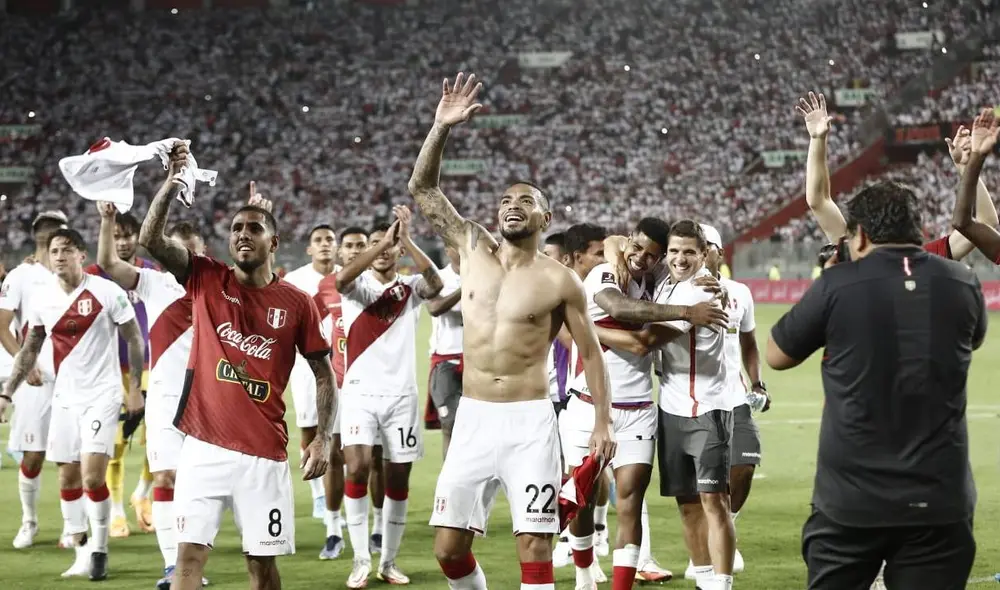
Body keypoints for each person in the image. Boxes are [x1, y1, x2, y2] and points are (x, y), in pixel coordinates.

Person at [409, 71, 616, 590]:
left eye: (525, 201)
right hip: (474, 417)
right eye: (505, 200)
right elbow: (423, 189)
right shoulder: (472, 247)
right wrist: (441, 127)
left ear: (545, 217)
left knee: (535, 544)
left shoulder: (560, 280)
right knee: (448, 549)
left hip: (529, 421)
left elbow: (591, 353)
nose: (512, 205)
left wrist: (603, 423)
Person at [767, 180, 984, 590]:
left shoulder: (837, 284)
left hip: (852, 499)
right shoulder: (963, 282)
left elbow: (777, 355)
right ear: (919, 229)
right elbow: (971, 340)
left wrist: (829, 288)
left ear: (861, 235)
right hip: (940, 497)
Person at [138, 142, 335, 590]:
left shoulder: (298, 303)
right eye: (236, 228)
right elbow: (151, 240)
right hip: (202, 448)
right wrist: (172, 183)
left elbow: (323, 373)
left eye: (254, 228)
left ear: (274, 242)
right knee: (187, 559)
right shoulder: (207, 278)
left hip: (263, 454)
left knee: (261, 566)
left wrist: (323, 438)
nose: (243, 234)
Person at [1, 227, 145, 581]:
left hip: (102, 395)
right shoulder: (44, 299)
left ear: (82, 255)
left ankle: (100, 549)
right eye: (54, 251)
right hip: (65, 397)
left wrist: (135, 388)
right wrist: (7, 393)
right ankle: (81, 549)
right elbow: (30, 349)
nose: (59, 257)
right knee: (66, 476)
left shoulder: (107, 291)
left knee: (92, 476)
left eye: (67, 250)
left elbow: (134, 338)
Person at [94, 201, 211, 590]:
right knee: (165, 475)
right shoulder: (153, 283)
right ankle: (172, 566)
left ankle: (194, 562)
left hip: (210, 402)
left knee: (200, 486)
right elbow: (108, 263)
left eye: (192, 251)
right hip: (164, 398)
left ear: (203, 253)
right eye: (177, 250)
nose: (185, 258)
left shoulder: (220, 288)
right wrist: (108, 220)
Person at [559, 217, 674, 590]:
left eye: (651, 255)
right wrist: (685, 313)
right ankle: (583, 574)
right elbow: (619, 308)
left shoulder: (656, 281)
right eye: (637, 248)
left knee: (630, 503)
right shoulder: (604, 273)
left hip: (638, 410)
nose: (641, 258)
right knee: (582, 499)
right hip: (588, 405)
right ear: (629, 241)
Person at [335, 206, 443, 588]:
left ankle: (388, 561)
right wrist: (382, 242)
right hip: (360, 394)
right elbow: (341, 279)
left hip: (401, 397)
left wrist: (407, 239)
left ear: (399, 251)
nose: (382, 249)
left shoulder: (410, 289)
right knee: (358, 467)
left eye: (389, 244)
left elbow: (436, 285)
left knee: (398, 478)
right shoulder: (358, 286)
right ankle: (360, 559)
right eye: (375, 243)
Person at [797, 91, 998, 261]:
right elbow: (985, 224)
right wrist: (966, 166)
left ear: (863, 231)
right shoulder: (926, 258)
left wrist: (817, 139)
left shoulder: (855, 258)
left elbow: (818, 201)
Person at [683, 224, 768, 581]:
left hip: (734, 395)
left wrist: (757, 382)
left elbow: (749, 343)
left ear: (718, 252)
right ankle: (706, 549)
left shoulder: (740, 293)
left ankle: (725, 527)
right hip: (693, 400)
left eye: (708, 246)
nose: (703, 252)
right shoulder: (678, 292)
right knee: (697, 487)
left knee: (745, 462)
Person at [314, 225, 388, 561]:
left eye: (362, 245)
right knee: (334, 456)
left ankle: (378, 529)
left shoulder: (380, 288)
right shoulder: (327, 288)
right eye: (350, 246)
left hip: (374, 387)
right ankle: (333, 530)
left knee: (375, 459)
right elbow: (309, 326)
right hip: (339, 386)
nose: (356, 251)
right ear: (341, 252)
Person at [84, 210, 157, 538]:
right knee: (113, 446)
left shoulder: (150, 272)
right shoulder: (94, 275)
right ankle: (115, 511)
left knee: (158, 440)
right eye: (117, 236)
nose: (124, 242)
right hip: (110, 372)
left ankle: (142, 493)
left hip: (150, 368)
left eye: (128, 235)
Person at [0, 210, 66, 549]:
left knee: (72, 457)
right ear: (35, 231)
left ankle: (73, 526)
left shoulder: (74, 273)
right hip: (35, 378)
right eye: (43, 225)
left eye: (55, 226)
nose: (48, 230)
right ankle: (29, 521)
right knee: (33, 453)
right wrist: (24, 365)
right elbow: (2, 326)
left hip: (72, 376)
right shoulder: (21, 275)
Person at [283, 223, 339, 521]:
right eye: (318, 239)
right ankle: (317, 493)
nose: (325, 243)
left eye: (330, 239)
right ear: (309, 248)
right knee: (309, 429)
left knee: (335, 433)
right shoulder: (296, 280)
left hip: (343, 367)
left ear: (336, 246)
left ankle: (334, 499)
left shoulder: (347, 277)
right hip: (307, 366)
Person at [425, 245, 463, 459]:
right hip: (445, 360)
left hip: (480, 360)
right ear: (448, 250)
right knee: (450, 424)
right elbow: (434, 308)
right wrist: (465, 288)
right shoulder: (439, 278)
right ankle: (450, 477)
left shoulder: (487, 275)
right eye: (458, 245)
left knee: (483, 426)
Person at [952, 107, 1000, 262]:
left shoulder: (918, 257)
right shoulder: (916, 259)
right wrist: (974, 159)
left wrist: (971, 162)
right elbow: (973, 225)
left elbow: (982, 224)